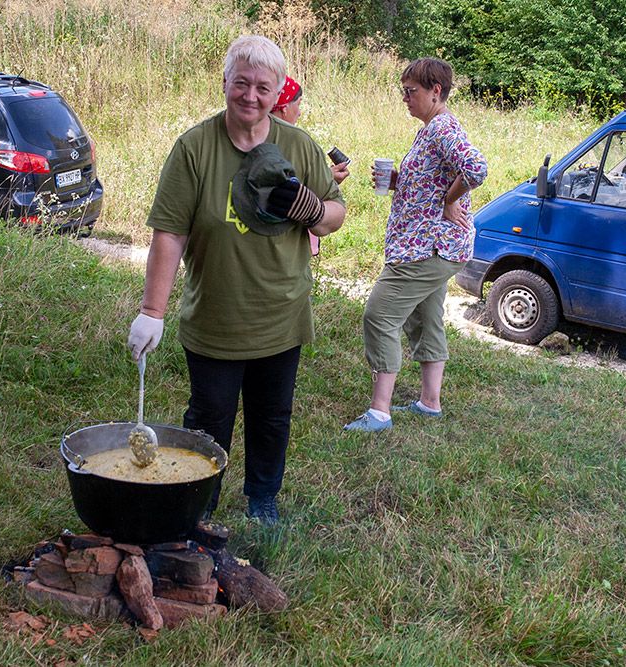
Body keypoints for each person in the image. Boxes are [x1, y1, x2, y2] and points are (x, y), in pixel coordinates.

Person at [127, 35, 346, 525]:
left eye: (262, 87)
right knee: (208, 422)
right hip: (215, 320)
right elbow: (170, 233)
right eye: (241, 83)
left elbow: (335, 213)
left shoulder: (298, 146)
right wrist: (151, 312)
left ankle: (262, 500)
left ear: (278, 94)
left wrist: (314, 210)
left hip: (281, 317)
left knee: (272, 418)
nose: (250, 95)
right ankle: (199, 504)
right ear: (224, 83)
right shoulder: (194, 148)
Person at [343, 57, 487, 432]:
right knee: (425, 319)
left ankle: (379, 412)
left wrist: (450, 200)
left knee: (380, 315)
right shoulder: (430, 129)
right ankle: (430, 402)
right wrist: (397, 180)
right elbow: (432, 180)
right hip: (435, 245)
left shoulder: (442, 128)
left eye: (412, 92)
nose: (405, 98)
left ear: (435, 91)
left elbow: (475, 169)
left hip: (427, 247)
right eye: (403, 91)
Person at [270, 75, 349, 185]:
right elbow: (290, 191)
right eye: (298, 104)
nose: (299, 113)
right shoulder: (293, 141)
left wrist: (324, 176)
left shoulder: (255, 134)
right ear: (285, 108)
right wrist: (327, 178)